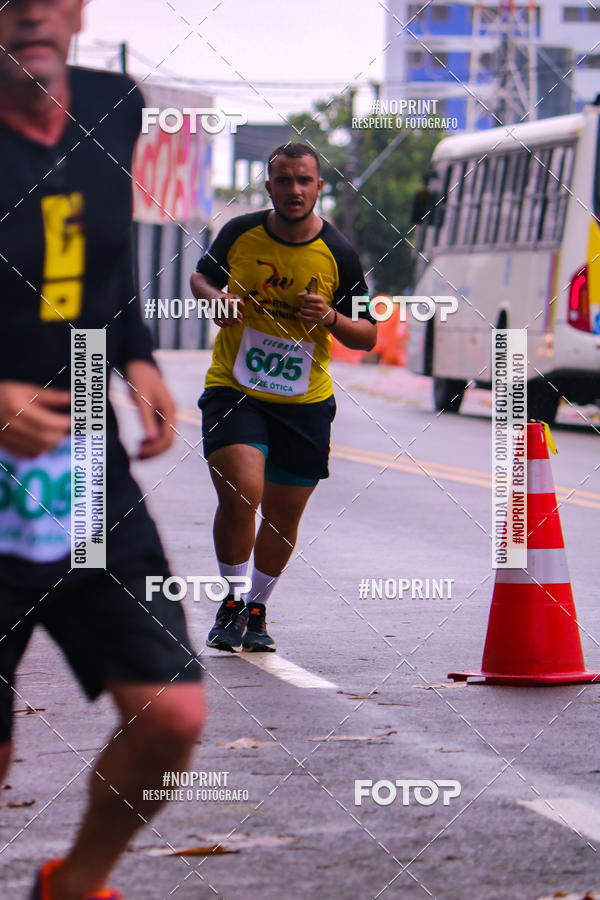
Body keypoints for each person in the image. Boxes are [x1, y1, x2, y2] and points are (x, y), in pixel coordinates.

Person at [0, 3, 204, 898]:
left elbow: (105, 260)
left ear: (78, 9)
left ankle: (74, 886)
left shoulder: (116, 104)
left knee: (173, 715)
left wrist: (136, 354)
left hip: (85, 471)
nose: (31, 9)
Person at [190, 142, 376, 653]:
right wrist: (217, 299)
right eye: (284, 180)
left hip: (304, 401)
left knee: (282, 515)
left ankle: (256, 608)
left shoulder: (339, 253)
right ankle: (231, 600)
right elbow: (201, 276)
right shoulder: (239, 233)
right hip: (235, 386)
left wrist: (331, 319)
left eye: (304, 181)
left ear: (319, 187)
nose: (294, 190)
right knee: (241, 492)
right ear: (269, 185)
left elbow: (367, 335)